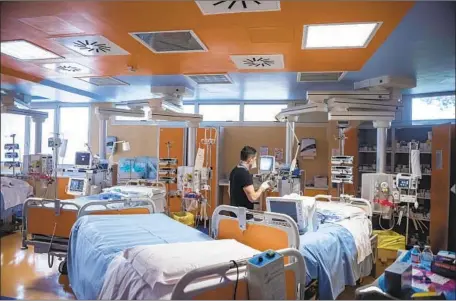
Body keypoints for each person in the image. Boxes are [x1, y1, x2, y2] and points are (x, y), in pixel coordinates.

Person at [228, 146, 271, 214]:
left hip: (234, 213)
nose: (255, 162)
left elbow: (229, 192)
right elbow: (253, 198)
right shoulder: (244, 174)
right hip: (243, 217)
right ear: (250, 159)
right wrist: (262, 188)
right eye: (255, 159)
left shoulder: (234, 170)